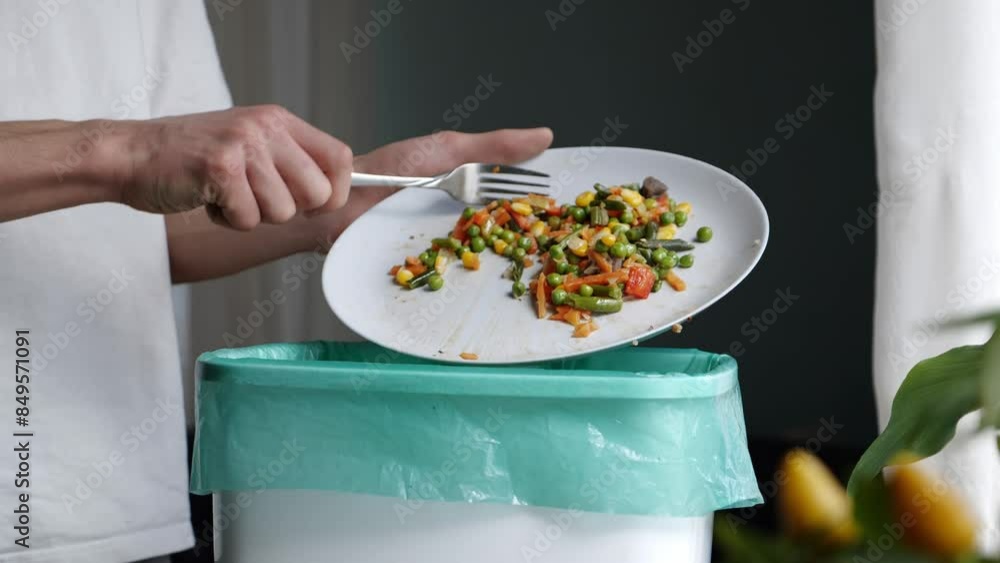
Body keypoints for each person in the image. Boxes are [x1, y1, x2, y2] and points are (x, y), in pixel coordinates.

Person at [0, 1, 553, 561]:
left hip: (113, 495)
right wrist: (129, 149)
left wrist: (356, 206)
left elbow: (164, 219)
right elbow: (142, 162)